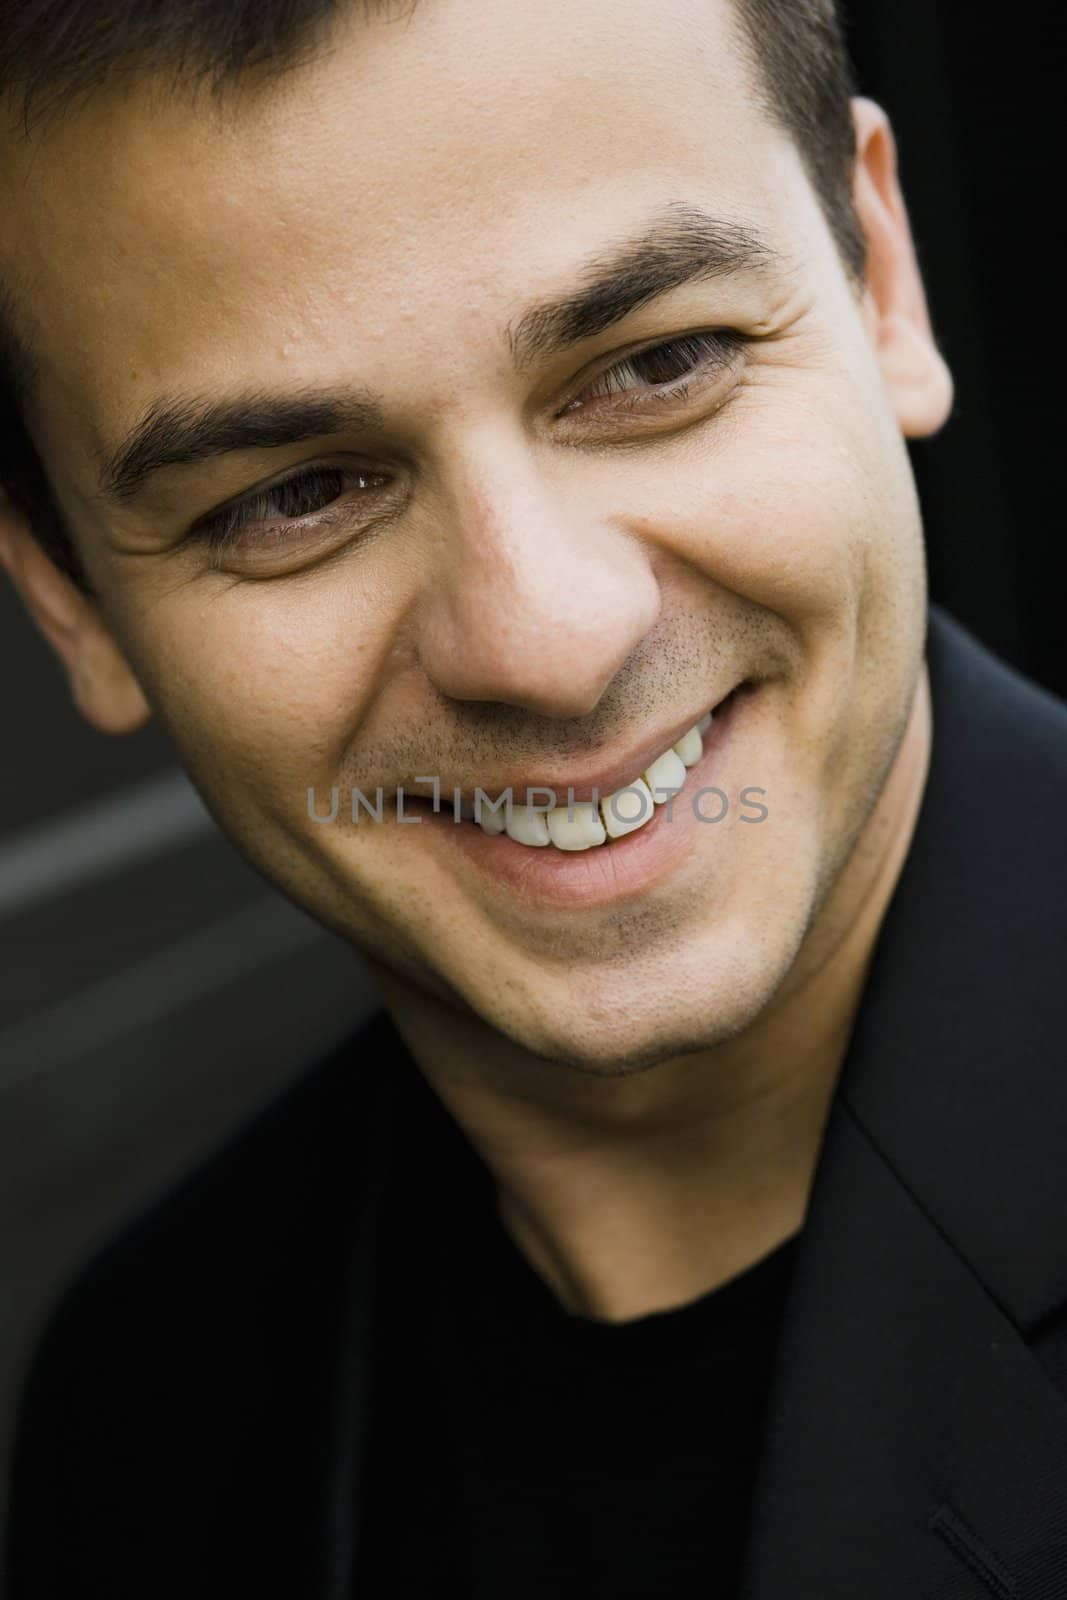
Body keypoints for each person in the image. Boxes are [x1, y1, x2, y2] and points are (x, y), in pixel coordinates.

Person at [2, 0, 1066, 1594]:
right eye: (297, 494)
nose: (549, 642)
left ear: (881, 277)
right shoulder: (146, 1404)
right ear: (74, 604)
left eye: (660, 364)